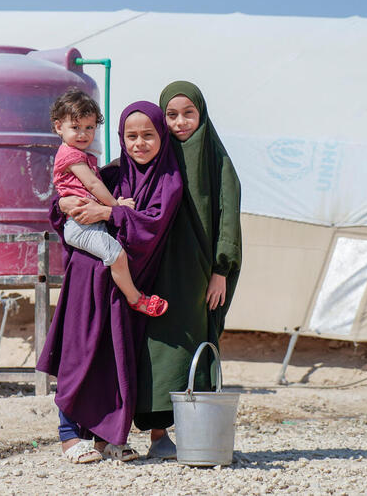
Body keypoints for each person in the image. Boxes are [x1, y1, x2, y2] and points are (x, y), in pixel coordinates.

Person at [37, 101, 183, 464]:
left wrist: (111, 212)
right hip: (87, 278)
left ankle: (105, 437)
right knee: (80, 351)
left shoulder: (169, 181)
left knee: (112, 359)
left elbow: (151, 225)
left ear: (162, 137)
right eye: (131, 136)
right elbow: (65, 203)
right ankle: (70, 436)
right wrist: (67, 204)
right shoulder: (114, 174)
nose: (139, 144)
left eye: (148, 135)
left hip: (121, 285)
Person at [133, 80, 243, 460]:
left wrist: (220, 271)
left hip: (197, 276)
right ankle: (157, 433)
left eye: (188, 113)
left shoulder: (217, 159)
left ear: (202, 114)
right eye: (172, 115)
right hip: (155, 269)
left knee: (190, 345)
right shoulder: (156, 154)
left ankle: (193, 430)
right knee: (153, 347)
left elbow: (228, 217)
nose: (181, 122)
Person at [49, 88, 168, 317]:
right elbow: (92, 186)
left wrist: (107, 208)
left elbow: (88, 182)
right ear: (58, 127)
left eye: (89, 127)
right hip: (82, 230)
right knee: (116, 255)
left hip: (87, 231)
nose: (83, 134)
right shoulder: (74, 157)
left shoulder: (82, 157)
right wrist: (116, 206)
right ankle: (136, 298)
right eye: (75, 128)